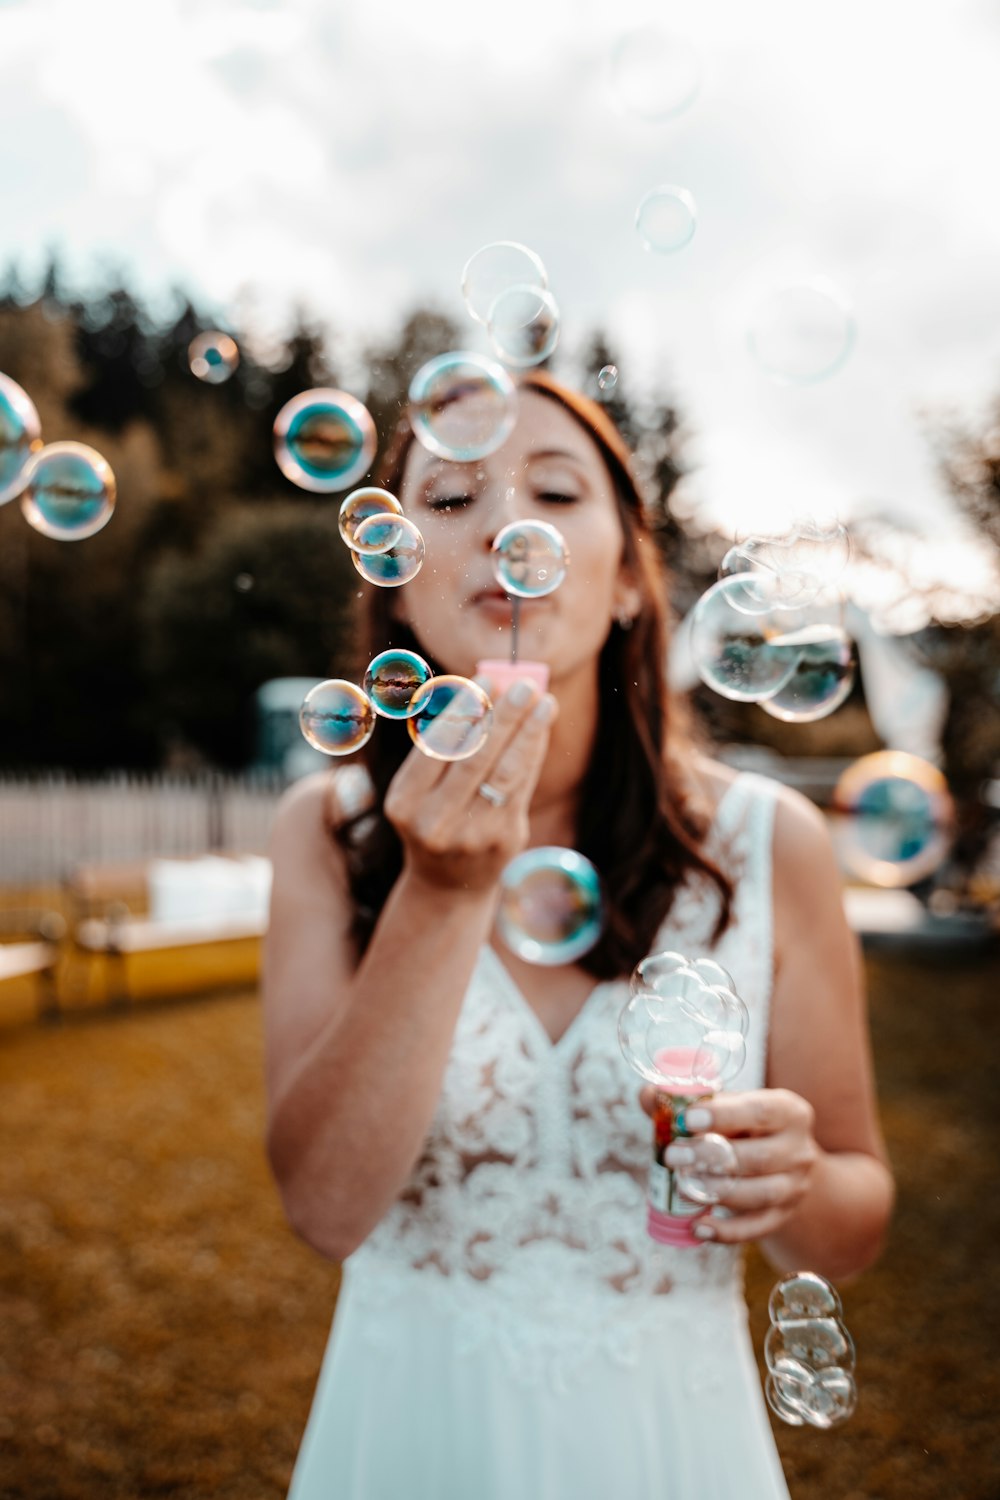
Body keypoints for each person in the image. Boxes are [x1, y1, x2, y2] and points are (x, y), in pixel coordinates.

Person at [262, 370, 894, 1500]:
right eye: (450, 501)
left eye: (554, 492)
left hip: (672, 1445)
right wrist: (442, 895)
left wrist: (792, 1186)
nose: (507, 527)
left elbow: (850, 1223)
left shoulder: (769, 843)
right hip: (411, 1432)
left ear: (625, 585)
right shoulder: (324, 831)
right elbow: (322, 1207)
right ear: (396, 590)